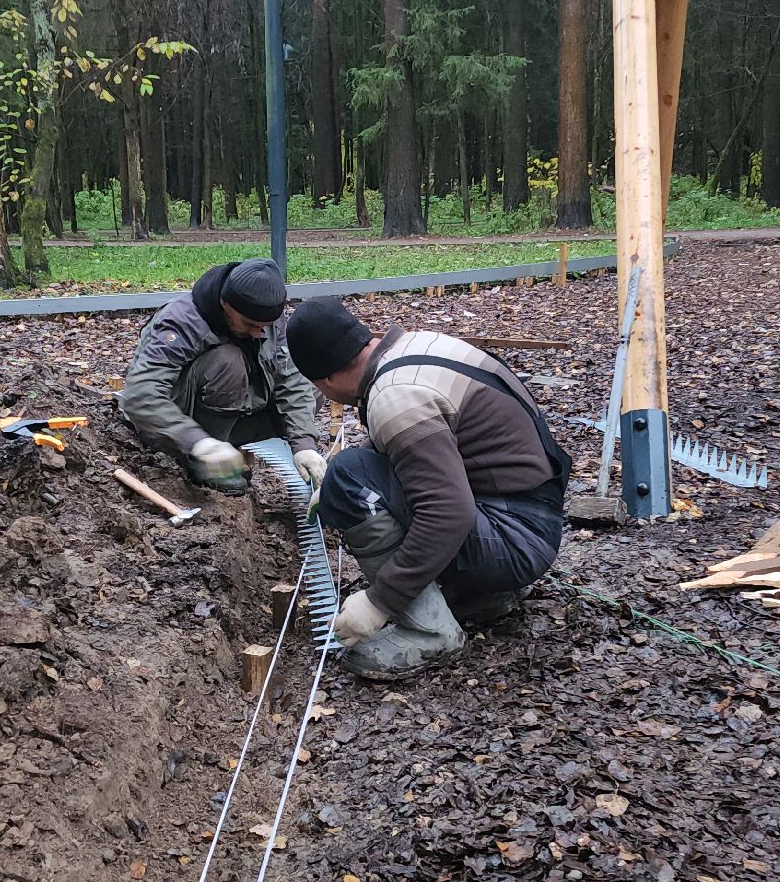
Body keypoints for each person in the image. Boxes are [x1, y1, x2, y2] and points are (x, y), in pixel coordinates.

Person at [284, 297, 570, 680]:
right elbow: (413, 450)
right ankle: (479, 595)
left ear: (327, 379)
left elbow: (449, 513)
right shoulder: (414, 347)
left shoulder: (395, 397)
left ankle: (430, 632)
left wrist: (378, 602)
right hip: (529, 517)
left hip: (513, 539)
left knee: (350, 475)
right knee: (350, 472)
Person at [120, 259, 327, 493]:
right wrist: (197, 442)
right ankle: (203, 461)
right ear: (225, 303)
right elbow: (140, 394)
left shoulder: (267, 319)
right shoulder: (182, 321)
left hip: (237, 409)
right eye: (249, 324)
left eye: (265, 326)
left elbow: (291, 379)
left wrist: (304, 445)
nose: (259, 333)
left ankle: (227, 446)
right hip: (179, 421)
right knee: (228, 361)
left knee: (312, 388)